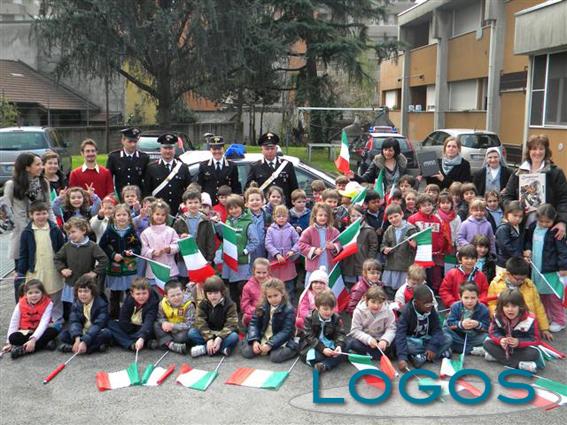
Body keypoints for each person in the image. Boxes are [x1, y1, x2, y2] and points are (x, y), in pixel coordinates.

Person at [503, 134, 567, 239]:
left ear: (546, 151)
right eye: (534, 149)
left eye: (541, 149)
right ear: (529, 151)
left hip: (548, 228)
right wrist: (515, 209)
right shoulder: (518, 173)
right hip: (521, 227)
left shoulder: (555, 172)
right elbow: (506, 197)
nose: (537, 152)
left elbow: (563, 199)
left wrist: (562, 222)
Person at [4, 153, 52, 276]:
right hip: (21, 233)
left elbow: (48, 207)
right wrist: (13, 223)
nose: (42, 167)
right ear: (27, 167)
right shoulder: (11, 185)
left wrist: (54, 226)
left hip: (41, 230)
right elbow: (6, 208)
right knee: (21, 274)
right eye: (38, 164)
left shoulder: (43, 182)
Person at [17, 201, 65, 320]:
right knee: (37, 294)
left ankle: (56, 320)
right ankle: (39, 319)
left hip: (53, 269)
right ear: (31, 215)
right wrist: (21, 271)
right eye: (38, 214)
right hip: (36, 270)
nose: (41, 216)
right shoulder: (27, 232)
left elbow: (62, 250)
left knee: (55, 295)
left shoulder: (55, 230)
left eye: (44, 213)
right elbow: (23, 254)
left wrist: (64, 267)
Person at [524, 204, 567, 332]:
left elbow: (562, 251)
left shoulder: (555, 231)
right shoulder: (532, 227)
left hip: (551, 270)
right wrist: (527, 250)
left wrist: (563, 266)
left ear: (554, 219)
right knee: (540, 295)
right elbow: (528, 241)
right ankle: (546, 317)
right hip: (536, 268)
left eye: (547, 222)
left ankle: (559, 320)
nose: (543, 224)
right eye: (541, 221)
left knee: (553, 296)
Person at [487, 257, 552, 340]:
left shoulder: (530, 286)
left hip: (525, 325)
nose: (521, 281)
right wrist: (498, 319)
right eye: (518, 279)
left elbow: (538, 306)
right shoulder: (495, 284)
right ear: (508, 274)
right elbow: (491, 304)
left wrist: (544, 328)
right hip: (504, 325)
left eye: (523, 279)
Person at [483, 288, 544, 372]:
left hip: (520, 348)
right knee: (487, 344)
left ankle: (498, 358)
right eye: (506, 306)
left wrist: (518, 342)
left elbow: (535, 339)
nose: (510, 309)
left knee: (534, 353)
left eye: (514, 306)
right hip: (504, 346)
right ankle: (518, 364)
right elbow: (493, 332)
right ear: (501, 307)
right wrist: (501, 339)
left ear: (521, 306)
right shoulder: (497, 316)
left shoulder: (530, 319)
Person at [54, 217, 108, 309]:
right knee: (74, 307)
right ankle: (75, 321)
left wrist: (95, 272)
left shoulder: (92, 246)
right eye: (68, 233)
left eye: (73, 232)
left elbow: (104, 259)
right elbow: (57, 258)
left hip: (87, 283)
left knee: (88, 305)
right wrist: (62, 269)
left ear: (83, 230)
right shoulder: (67, 246)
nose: (70, 235)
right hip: (71, 282)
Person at [99, 204, 142, 319]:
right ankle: (114, 316)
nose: (121, 217)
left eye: (124, 215)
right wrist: (113, 255)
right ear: (114, 217)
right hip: (115, 265)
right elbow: (102, 245)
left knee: (130, 292)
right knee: (115, 293)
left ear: (129, 217)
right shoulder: (109, 231)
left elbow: (138, 246)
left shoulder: (132, 231)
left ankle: (129, 315)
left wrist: (131, 251)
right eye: (119, 215)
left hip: (129, 265)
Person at [240, 278, 297, 363]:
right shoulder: (261, 306)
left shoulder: (289, 309)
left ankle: (295, 348)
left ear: (282, 293)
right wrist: (255, 340)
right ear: (265, 296)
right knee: (247, 352)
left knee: (275, 357)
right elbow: (254, 324)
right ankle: (254, 344)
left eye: (275, 295)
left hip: (280, 338)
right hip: (264, 335)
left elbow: (286, 331)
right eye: (269, 297)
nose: (273, 299)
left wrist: (271, 344)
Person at [395, 285, 452, 370]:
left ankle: (421, 357)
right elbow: (400, 335)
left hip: (427, 339)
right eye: (426, 304)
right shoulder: (406, 312)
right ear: (416, 302)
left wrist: (432, 346)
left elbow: (437, 329)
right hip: (414, 341)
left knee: (448, 338)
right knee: (405, 344)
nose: (430, 306)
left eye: (431, 302)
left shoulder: (431, 309)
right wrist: (402, 358)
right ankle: (439, 353)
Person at [3, 279, 58, 359]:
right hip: (26, 332)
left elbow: (44, 323)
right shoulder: (20, 304)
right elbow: (14, 321)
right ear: (25, 294)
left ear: (42, 293)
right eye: (30, 293)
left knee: (53, 331)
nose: (34, 295)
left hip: (41, 331)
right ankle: (45, 344)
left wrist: (33, 340)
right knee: (13, 338)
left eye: (37, 292)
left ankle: (23, 350)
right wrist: (9, 343)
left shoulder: (48, 303)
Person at [221, 195, 260, 308]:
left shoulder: (248, 223)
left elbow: (255, 241)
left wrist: (245, 251)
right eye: (230, 208)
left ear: (242, 207)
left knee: (242, 286)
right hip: (229, 261)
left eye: (236, 207)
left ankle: (247, 308)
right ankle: (235, 310)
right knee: (232, 287)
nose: (234, 211)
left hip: (242, 261)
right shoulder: (228, 221)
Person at [57, 274, 111, 354]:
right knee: (63, 335)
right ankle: (93, 347)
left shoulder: (101, 304)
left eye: (86, 291)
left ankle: (80, 348)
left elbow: (98, 325)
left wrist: (84, 341)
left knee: (106, 334)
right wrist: (77, 338)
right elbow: (74, 321)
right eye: (80, 291)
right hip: (82, 331)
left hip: (95, 331)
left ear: (92, 292)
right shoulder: (76, 303)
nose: (82, 294)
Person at [188, 276, 239, 357]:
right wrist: (209, 339)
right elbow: (200, 321)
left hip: (223, 333)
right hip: (208, 332)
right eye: (210, 293)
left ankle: (205, 349)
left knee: (234, 337)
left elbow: (232, 323)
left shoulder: (230, 305)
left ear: (222, 292)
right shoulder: (203, 304)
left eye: (216, 293)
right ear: (205, 294)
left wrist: (219, 338)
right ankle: (221, 349)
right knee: (192, 333)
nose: (213, 296)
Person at [408, 194, 448, 292]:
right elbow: (408, 235)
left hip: (434, 254)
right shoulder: (413, 219)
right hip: (419, 254)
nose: (427, 207)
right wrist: (412, 243)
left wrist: (439, 248)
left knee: (435, 276)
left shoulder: (437, 219)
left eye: (429, 204)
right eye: (424, 205)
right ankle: (417, 291)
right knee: (419, 274)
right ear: (418, 207)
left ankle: (433, 293)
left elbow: (441, 235)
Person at [245, 132, 299, 208]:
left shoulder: (287, 165)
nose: (270, 151)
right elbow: (249, 189)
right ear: (262, 150)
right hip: (264, 209)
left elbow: (294, 189)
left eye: (272, 148)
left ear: (276, 149)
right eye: (267, 149)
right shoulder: (255, 166)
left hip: (284, 209)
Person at [143, 133, 192, 215]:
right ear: (160, 150)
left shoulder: (183, 167)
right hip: (158, 212)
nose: (168, 151)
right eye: (165, 148)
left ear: (174, 149)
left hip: (178, 211)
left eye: (170, 148)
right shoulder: (151, 168)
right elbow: (147, 192)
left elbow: (188, 190)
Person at [107, 277, 159, 351]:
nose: (141, 297)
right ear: (132, 294)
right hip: (130, 327)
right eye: (138, 294)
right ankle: (131, 344)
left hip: (143, 328)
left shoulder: (153, 302)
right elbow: (123, 319)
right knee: (110, 323)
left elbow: (149, 321)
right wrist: (130, 332)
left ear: (149, 292)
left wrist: (141, 337)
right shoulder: (129, 300)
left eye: (144, 293)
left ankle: (124, 340)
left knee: (153, 327)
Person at [300, 290, 346, 373]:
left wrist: (339, 346)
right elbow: (309, 337)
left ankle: (324, 365)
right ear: (317, 308)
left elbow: (340, 334)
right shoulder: (309, 318)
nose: (329, 312)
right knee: (319, 356)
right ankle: (328, 362)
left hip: (329, 343)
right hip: (314, 345)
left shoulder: (336, 317)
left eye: (332, 309)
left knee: (345, 346)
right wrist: (323, 349)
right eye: (325, 309)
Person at [346, 286, 396, 360]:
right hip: (364, 340)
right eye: (373, 302)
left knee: (397, 340)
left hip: (380, 340)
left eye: (380, 303)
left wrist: (385, 340)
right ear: (366, 300)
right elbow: (355, 330)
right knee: (351, 342)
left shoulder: (388, 311)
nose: (376, 306)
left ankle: (367, 355)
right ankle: (376, 355)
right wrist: (368, 339)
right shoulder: (359, 311)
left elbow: (391, 328)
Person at [265, 205, 300, 305]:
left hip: (288, 262)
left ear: (287, 217)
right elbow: (268, 244)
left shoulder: (291, 229)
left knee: (289, 287)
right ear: (274, 217)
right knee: (274, 286)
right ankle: (275, 305)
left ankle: (290, 307)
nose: (281, 218)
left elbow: (298, 242)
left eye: (284, 216)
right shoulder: (270, 230)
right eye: (279, 216)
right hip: (275, 262)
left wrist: (293, 251)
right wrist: (276, 254)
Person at [298, 203, 341, 285]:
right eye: (320, 215)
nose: (323, 218)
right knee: (312, 286)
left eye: (326, 215)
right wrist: (313, 250)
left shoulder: (334, 231)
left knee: (328, 286)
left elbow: (340, 242)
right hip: (314, 267)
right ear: (315, 216)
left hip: (329, 265)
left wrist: (333, 246)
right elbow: (301, 244)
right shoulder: (309, 231)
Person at [140, 200, 180, 288]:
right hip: (153, 271)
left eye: (163, 215)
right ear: (152, 214)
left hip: (170, 270)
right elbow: (143, 250)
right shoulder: (146, 233)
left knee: (171, 292)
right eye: (157, 214)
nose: (160, 217)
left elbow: (177, 245)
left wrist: (170, 248)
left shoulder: (170, 231)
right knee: (156, 294)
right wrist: (153, 252)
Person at [381, 204, 418, 296]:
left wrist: (414, 245)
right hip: (392, 264)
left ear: (401, 214)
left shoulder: (411, 229)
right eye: (390, 218)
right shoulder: (389, 229)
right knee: (390, 290)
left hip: (405, 265)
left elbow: (419, 246)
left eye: (396, 216)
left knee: (404, 289)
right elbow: (383, 244)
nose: (393, 219)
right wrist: (385, 249)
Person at [444, 282, 490, 355]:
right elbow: (450, 324)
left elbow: (487, 328)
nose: (469, 301)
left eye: (473, 298)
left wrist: (478, 324)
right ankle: (472, 350)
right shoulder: (455, 306)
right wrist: (461, 324)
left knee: (488, 338)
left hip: (474, 336)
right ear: (460, 296)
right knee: (445, 332)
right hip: (458, 335)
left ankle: (457, 348)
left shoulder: (483, 309)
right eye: (466, 298)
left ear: (478, 297)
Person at [152, 279, 195, 354]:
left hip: (180, 330)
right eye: (172, 296)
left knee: (182, 336)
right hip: (168, 329)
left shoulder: (188, 304)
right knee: (155, 325)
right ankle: (171, 345)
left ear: (183, 292)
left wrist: (173, 326)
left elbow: (190, 324)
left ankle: (164, 343)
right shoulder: (162, 304)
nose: (176, 297)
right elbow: (160, 317)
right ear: (166, 296)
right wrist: (164, 323)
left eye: (178, 294)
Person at [173, 190, 215, 264]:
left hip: (201, 256)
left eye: (196, 202)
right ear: (185, 204)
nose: (193, 205)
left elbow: (210, 241)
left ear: (200, 203)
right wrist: (180, 236)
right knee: (184, 275)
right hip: (184, 258)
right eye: (190, 203)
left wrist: (209, 258)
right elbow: (173, 238)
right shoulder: (179, 221)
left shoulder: (206, 221)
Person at [106, 127, 149, 198]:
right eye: (130, 141)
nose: (133, 144)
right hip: (120, 196)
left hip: (137, 197)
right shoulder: (114, 157)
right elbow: (108, 178)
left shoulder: (143, 158)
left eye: (135, 142)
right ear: (123, 141)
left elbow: (147, 180)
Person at [342, 205, 378, 289]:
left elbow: (373, 247)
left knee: (362, 287)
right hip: (349, 265)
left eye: (358, 216)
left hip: (362, 264)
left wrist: (369, 262)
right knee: (350, 287)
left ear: (363, 217)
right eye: (353, 216)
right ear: (349, 217)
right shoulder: (347, 231)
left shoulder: (369, 230)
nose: (355, 218)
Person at [197, 136, 241, 204]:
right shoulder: (203, 166)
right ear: (210, 150)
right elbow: (200, 187)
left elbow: (236, 187)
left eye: (219, 149)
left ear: (223, 149)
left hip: (227, 205)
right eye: (214, 149)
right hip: (209, 206)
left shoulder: (232, 166)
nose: (217, 151)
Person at [296, 267, 333, 331]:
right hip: (310, 318)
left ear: (326, 284)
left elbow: (334, 309)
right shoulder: (307, 294)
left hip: (326, 318)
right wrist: (312, 318)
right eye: (315, 282)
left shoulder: (329, 294)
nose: (318, 285)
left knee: (338, 321)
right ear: (311, 284)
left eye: (321, 283)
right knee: (298, 321)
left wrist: (325, 316)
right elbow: (303, 309)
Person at [495, 201, 525, 274]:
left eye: (520, 216)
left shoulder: (518, 227)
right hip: (504, 264)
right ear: (507, 214)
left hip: (514, 263)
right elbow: (505, 246)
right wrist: (521, 257)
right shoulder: (503, 228)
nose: (518, 219)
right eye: (515, 215)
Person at [241, 258, 271, 328]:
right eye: (258, 272)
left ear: (268, 271)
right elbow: (244, 306)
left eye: (264, 272)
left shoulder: (273, 283)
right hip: (256, 312)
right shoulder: (248, 286)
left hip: (271, 311)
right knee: (248, 317)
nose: (261, 275)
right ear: (253, 271)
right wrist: (257, 311)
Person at [244, 187, 268, 262]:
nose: (255, 202)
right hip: (249, 253)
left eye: (257, 200)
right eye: (252, 200)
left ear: (263, 201)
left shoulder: (267, 217)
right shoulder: (244, 217)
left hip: (264, 251)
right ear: (247, 204)